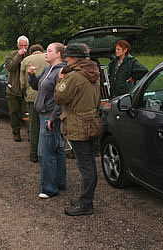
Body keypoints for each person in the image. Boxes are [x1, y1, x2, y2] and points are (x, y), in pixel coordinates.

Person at [54, 44, 102, 216]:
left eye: (67, 57)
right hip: (92, 122)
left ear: (73, 58)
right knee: (90, 164)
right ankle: (85, 199)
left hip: (78, 124)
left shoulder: (74, 76)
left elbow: (60, 98)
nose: (66, 60)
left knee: (85, 166)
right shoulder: (93, 73)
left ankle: (86, 203)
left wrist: (60, 80)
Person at [28, 43, 68, 199]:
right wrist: (31, 76)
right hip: (44, 115)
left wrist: (54, 117)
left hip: (49, 116)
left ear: (58, 54)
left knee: (45, 153)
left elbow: (61, 98)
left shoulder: (60, 72)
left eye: (49, 51)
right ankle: (60, 182)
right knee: (57, 149)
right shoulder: (47, 69)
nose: (46, 53)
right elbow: (38, 86)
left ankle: (49, 188)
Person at [20, 44, 48, 163]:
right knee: (47, 126)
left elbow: (22, 81)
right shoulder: (48, 58)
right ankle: (47, 153)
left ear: (31, 52)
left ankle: (34, 154)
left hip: (32, 97)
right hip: (47, 96)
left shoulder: (26, 60)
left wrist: (24, 92)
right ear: (41, 51)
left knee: (34, 126)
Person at [4, 35, 29, 142]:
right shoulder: (11, 55)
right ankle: (16, 132)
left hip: (26, 90)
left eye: (25, 45)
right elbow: (10, 67)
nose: (23, 48)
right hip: (13, 90)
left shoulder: (31, 55)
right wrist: (18, 56)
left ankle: (30, 134)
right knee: (13, 113)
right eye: (21, 45)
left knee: (27, 113)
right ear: (17, 45)